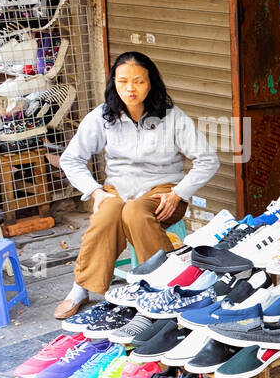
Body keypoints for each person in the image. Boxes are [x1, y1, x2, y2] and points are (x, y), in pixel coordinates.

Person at [55, 51, 219, 318]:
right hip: (118, 190)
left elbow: (208, 160)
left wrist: (179, 193)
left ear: (151, 82)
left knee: (133, 212)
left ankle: (164, 286)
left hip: (163, 192)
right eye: (122, 81)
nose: (130, 89)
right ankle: (81, 288)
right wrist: (95, 192)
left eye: (139, 81)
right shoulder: (103, 117)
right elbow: (71, 159)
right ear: (113, 83)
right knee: (109, 212)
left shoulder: (172, 117)